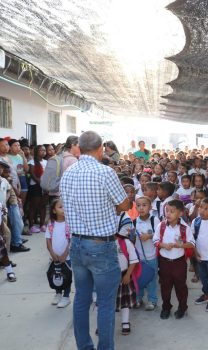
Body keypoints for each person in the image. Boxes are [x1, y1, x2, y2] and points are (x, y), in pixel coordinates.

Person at [60, 131, 130, 350]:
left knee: (81, 298)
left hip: (77, 245)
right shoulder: (105, 172)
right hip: (101, 245)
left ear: (79, 148)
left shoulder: (69, 173)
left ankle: (84, 347)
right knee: (106, 302)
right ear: (100, 149)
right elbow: (125, 204)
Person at [153, 199, 195, 320]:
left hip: (179, 262)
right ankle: (166, 307)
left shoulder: (184, 228)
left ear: (180, 213)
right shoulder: (161, 225)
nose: (168, 214)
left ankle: (182, 307)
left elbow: (191, 244)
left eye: (172, 211)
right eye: (167, 211)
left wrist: (180, 245)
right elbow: (155, 240)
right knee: (165, 286)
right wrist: (163, 245)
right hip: (164, 262)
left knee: (180, 286)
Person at [133, 196, 160, 310]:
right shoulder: (134, 222)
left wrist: (149, 236)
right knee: (138, 278)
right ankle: (138, 298)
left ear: (150, 207)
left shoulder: (155, 220)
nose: (141, 208)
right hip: (138, 257)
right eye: (138, 205)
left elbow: (159, 235)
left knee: (151, 279)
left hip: (151, 256)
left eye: (144, 205)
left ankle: (152, 300)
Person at [45, 199, 72, 308]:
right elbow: (48, 240)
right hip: (54, 257)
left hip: (67, 257)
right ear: (54, 211)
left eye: (65, 206)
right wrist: (52, 253)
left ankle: (66, 296)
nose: (64, 209)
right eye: (60, 207)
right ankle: (58, 293)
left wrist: (65, 254)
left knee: (66, 275)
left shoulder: (69, 224)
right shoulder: (51, 224)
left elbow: (71, 240)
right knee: (56, 275)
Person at [115, 213, 139, 335]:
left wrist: (127, 275)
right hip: (107, 277)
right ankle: (102, 323)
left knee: (125, 302)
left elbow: (134, 260)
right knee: (103, 302)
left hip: (123, 275)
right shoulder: (102, 243)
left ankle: (125, 322)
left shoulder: (126, 242)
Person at [27, 145, 47, 233]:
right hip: (35, 186)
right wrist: (41, 183)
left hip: (45, 186)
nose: (43, 152)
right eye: (41, 150)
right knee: (33, 206)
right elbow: (33, 175)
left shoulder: (46, 162)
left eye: (44, 150)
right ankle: (31, 225)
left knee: (43, 206)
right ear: (36, 152)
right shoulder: (32, 162)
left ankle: (42, 224)